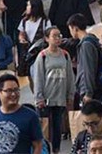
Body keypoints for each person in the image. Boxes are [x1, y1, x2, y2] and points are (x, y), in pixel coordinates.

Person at [34, 26, 75, 154]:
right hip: (46, 98)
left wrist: (70, 95)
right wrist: (39, 97)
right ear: (47, 39)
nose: (58, 39)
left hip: (60, 97)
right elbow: (38, 78)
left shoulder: (65, 55)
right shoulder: (42, 56)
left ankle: (56, 150)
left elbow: (70, 76)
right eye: (54, 36)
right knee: (45, 127)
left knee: (57, 127)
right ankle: (45, 150)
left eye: (59, 36)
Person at [0, 74, 43, 153]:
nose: (13, 94)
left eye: (16, 90)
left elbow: (38, 146)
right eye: (8, 91)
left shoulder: (30, 116)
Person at [67, 13, 102, 103]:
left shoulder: (86, 45)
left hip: (89, 91)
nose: (70, 32)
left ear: (75, 28)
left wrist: (88, 93)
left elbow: (88, 69)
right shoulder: (91, 40)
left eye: (70, 29)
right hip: (93, 87)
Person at [17, 0, 51, 79]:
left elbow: (49, 34)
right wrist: (21, 39)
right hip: (28, 53)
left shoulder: (45, 21)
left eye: (29, 5)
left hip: (40, 52)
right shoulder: (24, 21)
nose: (27, 7)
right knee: (29, 75)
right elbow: (21, 33)